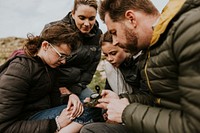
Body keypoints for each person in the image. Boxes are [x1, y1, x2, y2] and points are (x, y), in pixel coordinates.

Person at [81, 0, 200, 133]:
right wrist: (120, 100)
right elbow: (154, 99)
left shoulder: (188, 31)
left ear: (131, 19)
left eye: (114, 32)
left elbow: (195, 124)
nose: (115, 41)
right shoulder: (149, 49)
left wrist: (126, 113)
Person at [0, 23, 85, 132]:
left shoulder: (50, 66)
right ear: (45, 45)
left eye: (66, 57)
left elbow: (52, 100)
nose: (63, 61)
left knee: (87, 108)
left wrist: (70, 97)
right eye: (61, 55)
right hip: (23, 121)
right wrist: (56, 124)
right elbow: (3, 126)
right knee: (85, 112)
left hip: (38, 115)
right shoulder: (21, 69)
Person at [41, 0, 103, 128]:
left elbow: (90, 70)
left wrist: (75, 90)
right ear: (73, 13)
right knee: (71, 112)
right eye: (82, 18)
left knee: (98, 108)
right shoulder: (53, 29)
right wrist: (62, 89)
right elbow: (43, 64)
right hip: (53, 84)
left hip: (78, 85)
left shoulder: (98, 36)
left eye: (91, 18)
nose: (87, 23)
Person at [100, 31, 142, 95]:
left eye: (113, 53)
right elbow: (109, 89)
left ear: (124, 47)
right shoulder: (114, 64)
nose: (109, 59)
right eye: (106, 55)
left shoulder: (140, 61)